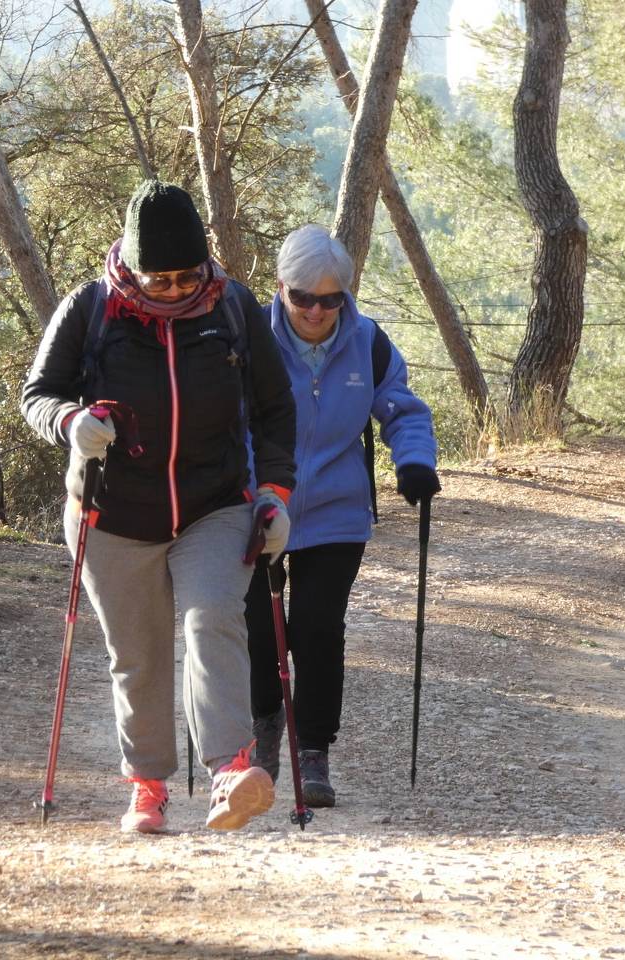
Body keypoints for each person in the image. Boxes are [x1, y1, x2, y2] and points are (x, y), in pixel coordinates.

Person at [21, 179, 297, 834]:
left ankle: (231, 770)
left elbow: (274, 409)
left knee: (212, 619)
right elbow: (38, 394)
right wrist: (71, 422)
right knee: (138, 654)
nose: (174, 290)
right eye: (159, 279)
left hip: (214, 504)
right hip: (113, 514)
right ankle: (147, 788)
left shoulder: (232, 307)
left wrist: (275, 495)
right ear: (132, 266)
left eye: (186, 276)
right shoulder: (90, 309)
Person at [244, 224, 440, 808]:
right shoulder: (249, 336)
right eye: (303, 297)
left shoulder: (369, 342)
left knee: (317, 629)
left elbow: (402, 410)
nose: (316, 310)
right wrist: (244, 489)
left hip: (336, 512)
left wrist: (414, 462)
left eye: (331, 299)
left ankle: (313, 751)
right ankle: (264, 735)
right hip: (258, 504)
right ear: (281, 287)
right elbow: (225, 418)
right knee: (257, 630)